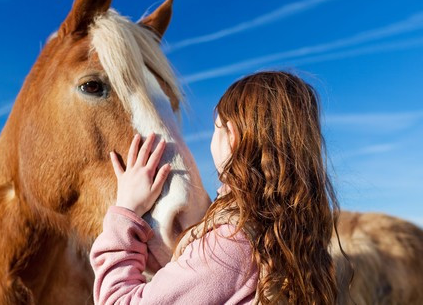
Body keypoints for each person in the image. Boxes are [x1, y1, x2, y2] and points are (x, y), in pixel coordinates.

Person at [90, 71, 341, 304]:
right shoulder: (292, 238)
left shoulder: (231, 242)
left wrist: (125, 212)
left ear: (231, 135)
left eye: (216, 127)